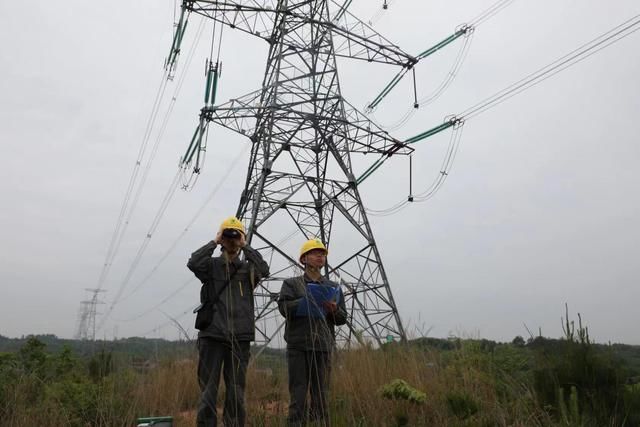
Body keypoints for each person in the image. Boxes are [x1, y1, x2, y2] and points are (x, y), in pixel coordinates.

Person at [187, 216, 270, 427]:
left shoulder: (247, 270)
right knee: (208, 390)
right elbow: (193, 262)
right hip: (212, 335)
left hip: (239, 337)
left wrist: (245, 245)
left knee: (236, 390)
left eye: (236, 235)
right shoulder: (211, 267)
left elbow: (264, 269)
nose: (232, 239)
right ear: (222, 238)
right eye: (228, 235)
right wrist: (214, 241)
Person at [278, 238, 348, 426]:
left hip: (323, 346)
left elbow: (342, 318)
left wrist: (334, 309)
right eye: (315, 253)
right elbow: (284, 308)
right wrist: (304, 302)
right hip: (298, 346)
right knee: (298, 394)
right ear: (304, 259)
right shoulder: (292, 284)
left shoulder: (333, 287)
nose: (320, 256)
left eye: (323, 253)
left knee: (321, 395)